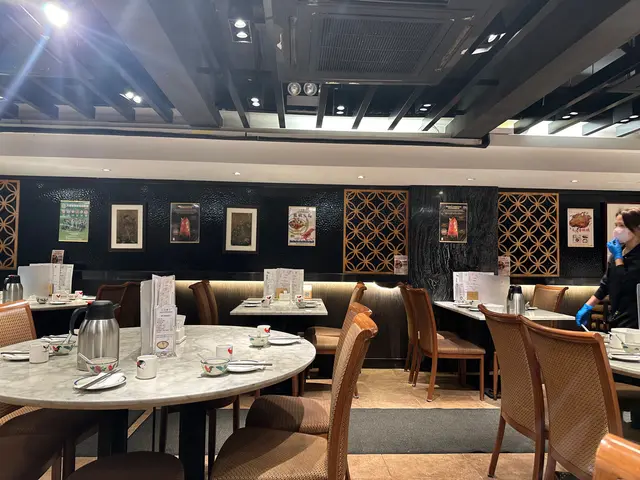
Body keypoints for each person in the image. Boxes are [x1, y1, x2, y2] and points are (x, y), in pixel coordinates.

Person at [576, 208, 640, 329]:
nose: (617, 230)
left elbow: (626, 284)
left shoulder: (627, 256)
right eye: (616, 225)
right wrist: (588, 306)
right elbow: (606, 285)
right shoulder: (617, 253)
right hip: (616, 315)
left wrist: (618, 258)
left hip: (634, 319)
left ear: (637, 228)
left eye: (622, 225)